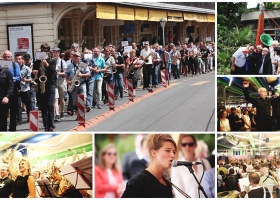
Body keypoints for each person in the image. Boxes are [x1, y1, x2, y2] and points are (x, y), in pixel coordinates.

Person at [32, 43, 57, 131]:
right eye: (42, 50)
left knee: (50, 105)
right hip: (40, 85)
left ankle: (51, 124)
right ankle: (46, 125)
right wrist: (34, 72)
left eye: (45, 51)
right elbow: (33, 75)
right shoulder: (36, 62)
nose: (44, 52)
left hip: (50, 84)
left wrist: (46, 65)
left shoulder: (52, 61)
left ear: (48, 52)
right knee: (43, 107)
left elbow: (53, 72)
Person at [2, 50, 21, 131]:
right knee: (3, 113)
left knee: (13, 112)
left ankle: (12, 130)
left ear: (11, 57)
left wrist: (9, 79)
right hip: (3, 92)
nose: (7, 58)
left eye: (8, 57)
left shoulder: (14, 65)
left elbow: (18, 77)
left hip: (13, 91)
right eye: (5, 57)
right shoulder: (1, 65)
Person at [15, 53, 32, 124]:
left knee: (28, 104)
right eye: (16, 59)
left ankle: (30, 118)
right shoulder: (13, 68)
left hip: (25, 89)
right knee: (18, 105)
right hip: (16, 89)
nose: (18, 60)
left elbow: (30, 79)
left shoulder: (27, 69)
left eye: (19, 59)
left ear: (22, 60)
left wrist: (24, 80)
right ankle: (19, 120)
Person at [53, 47, 67, 120]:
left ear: (58, 53)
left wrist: (57, 73)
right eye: (53, 52)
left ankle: (62, 111)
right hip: (54, 81)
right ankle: (57, 114)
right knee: (55, 98)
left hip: (61, 81)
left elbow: (65, 73)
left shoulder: (62, 62)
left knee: (61, 99)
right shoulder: (51, 61)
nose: (54, 54)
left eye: (56, 52)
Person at [0, 64, 13, 131]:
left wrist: (7, 96)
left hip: (3, 100)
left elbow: (11, 85)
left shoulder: (6, 72)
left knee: (2, 122)